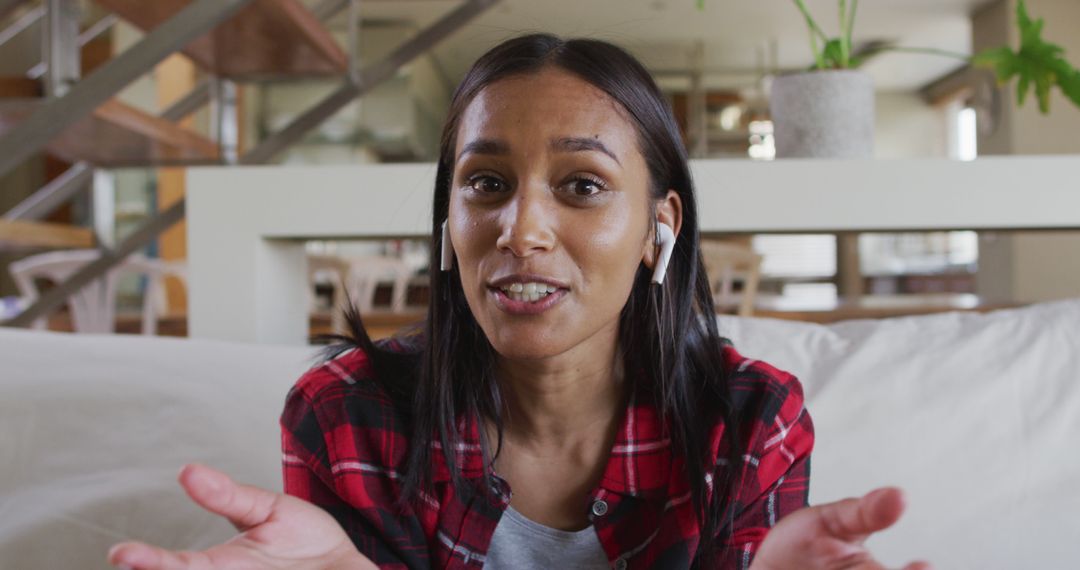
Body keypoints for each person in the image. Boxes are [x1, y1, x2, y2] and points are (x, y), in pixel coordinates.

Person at [107, 34, 929, 570]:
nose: (521, 229)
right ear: (449, 220)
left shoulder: (749, 425)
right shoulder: (345, 416)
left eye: (582, 185)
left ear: (658, 228)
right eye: (487, 184)